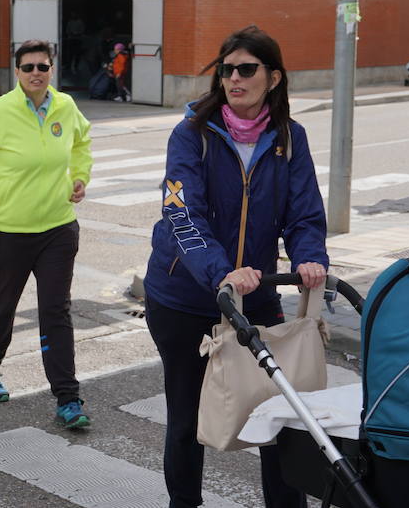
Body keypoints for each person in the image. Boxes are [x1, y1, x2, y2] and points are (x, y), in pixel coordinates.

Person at [143, 25, 328, 508]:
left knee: (279, 414)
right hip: (183, 298)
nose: (234, 78)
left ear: (273, 77)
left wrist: (310, 257)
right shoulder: (191, 135)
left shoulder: (290, 138)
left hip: (258, 295)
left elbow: (305, 212)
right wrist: (222, 271)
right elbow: (182, 215)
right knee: (186, 420)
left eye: (247, 69)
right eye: (227, 69)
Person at [0, 39, 93, 429]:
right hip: (8, 232)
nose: (35, 73)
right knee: (1, 307)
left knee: (56, 311)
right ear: (17, 72)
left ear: (52, 70)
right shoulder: (0, 111)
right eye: (27, 67)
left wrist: (80, 177)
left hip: (58, 228)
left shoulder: (66, 107)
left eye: (42, 67)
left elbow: (82, 141)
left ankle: (68, 397)